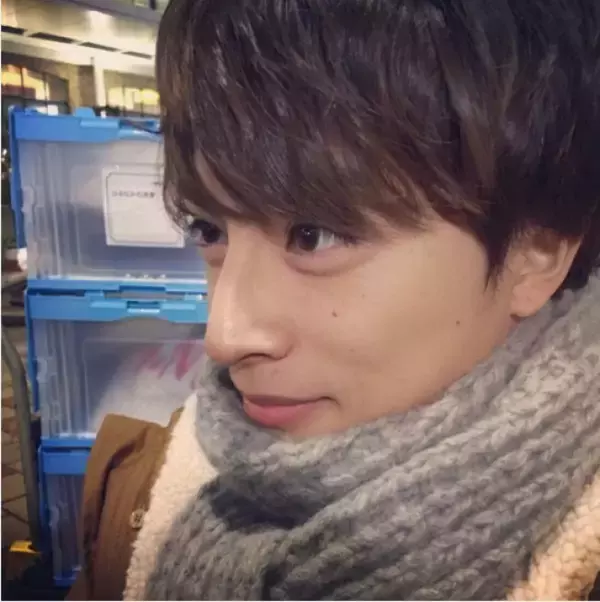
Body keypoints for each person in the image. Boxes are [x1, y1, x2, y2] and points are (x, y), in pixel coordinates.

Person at [70, 0, 600, 599]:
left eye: (312, 236)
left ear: (536, 253)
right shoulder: (140, 493)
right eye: (209, 230)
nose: (224, 335)